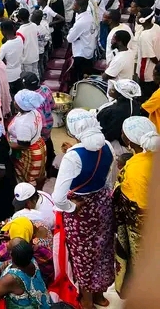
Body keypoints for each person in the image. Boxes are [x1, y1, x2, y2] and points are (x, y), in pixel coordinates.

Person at [51, 109, 115, 309]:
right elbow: (108, 178)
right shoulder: (107, 146)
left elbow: (58, 199)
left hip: (82, 211)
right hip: (102, 205)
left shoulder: (72, 157)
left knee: (84, 256)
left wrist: (71, 207)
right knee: (102, 251)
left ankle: (87, 302)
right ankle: (100, 296)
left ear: (73, 130)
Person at [113, 116, 158, 296]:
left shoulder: (135, 167)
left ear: (129, 141)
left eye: (123, 133)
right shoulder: (146, 159)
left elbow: (142, 203)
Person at [0, 239, 51, 309]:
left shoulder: (12, 278)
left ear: (11, 255)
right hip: (43, 302)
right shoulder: (31, 259)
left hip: (31, 305)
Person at [8, 90, 46, 185]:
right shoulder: (33, 111)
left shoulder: (23, 124)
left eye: (16, 101)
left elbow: (23, 145)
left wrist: (8, 144)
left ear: (21, 106)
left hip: (30, 152)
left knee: (28, 179)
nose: (14, 102)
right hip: (38, 143)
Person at [97, 79, 142, 146]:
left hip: (113, 143)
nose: (110, 89)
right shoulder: (134, 104)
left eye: (114, 89)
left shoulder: (113, 111)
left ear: (121, 94)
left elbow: (109, 134)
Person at [68, 0, 98, 83]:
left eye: (74, 5)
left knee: (80, 79)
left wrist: (72, 31)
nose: (72, 6)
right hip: (88, 50)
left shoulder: (81, 22)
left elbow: (69, 38)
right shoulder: (89, 16)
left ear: (79, 7)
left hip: (81, 54)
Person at [0, 21, 24, 94]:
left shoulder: (5, 46)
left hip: (9, 75)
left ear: (3, 31)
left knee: (11, 94)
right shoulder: (20, 39)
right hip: (19, 70)